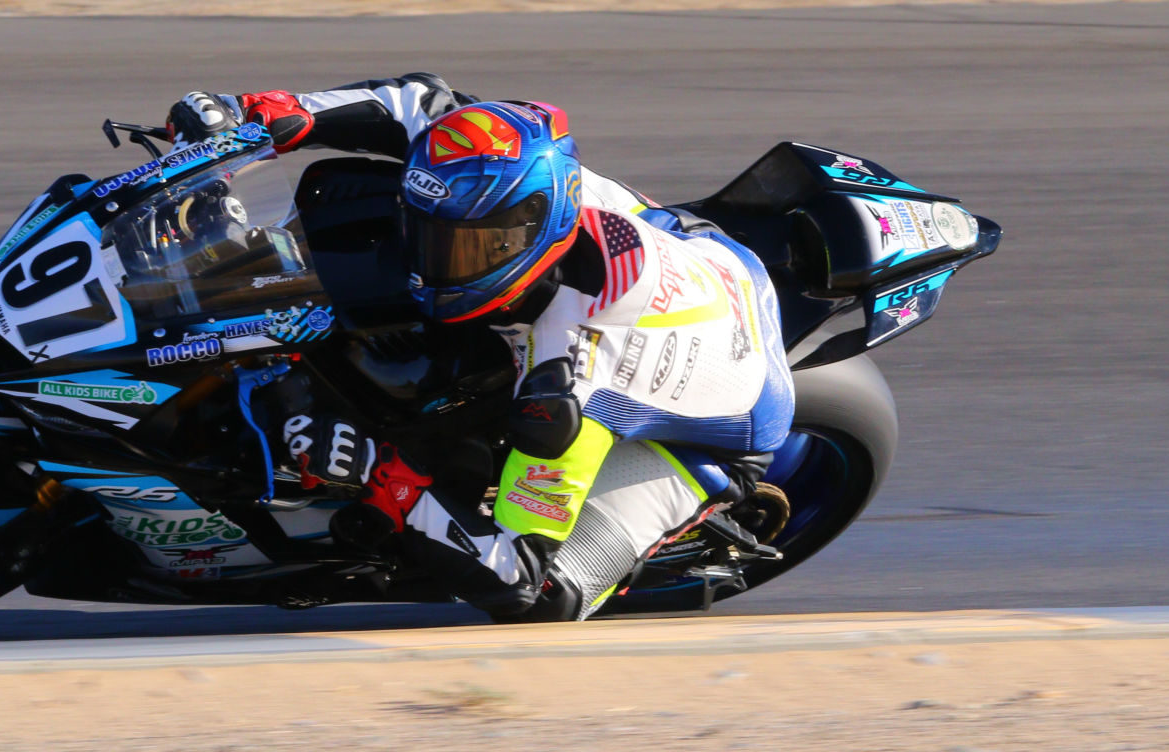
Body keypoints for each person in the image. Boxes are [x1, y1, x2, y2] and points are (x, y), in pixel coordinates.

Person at [166, 74, 795, 621]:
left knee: (546, 597)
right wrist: (264, 116)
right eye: (425, 232)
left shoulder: (570, 382)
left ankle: (677, 508)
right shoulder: (514, 181)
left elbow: (516, 575)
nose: (431, 261)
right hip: (696, 248)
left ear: (529, 238)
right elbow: (420, 102)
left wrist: (381, 477)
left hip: (705, 428)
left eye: (462, 250)